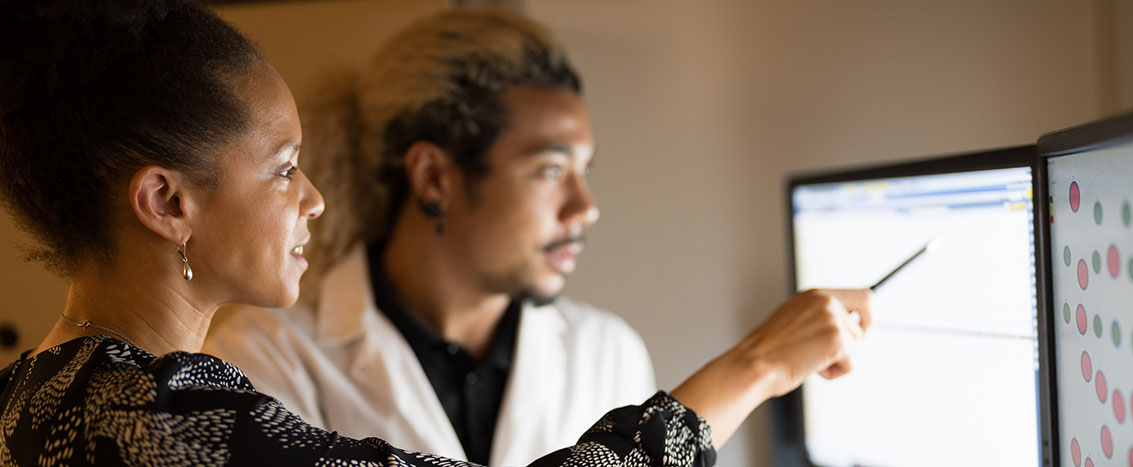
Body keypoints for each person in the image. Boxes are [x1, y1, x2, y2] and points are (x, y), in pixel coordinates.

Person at [0, 1, 871, 466]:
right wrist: (755, 365)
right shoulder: (162, 419)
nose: (313, 200)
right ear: (166, 202)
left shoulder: (33, 397)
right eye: (280, 167)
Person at [202, 10, 658, 465]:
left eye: (585, 170)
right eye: (551, 170)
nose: (586, 207)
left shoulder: (609, 355)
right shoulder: (263, 359)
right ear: (433, 177)